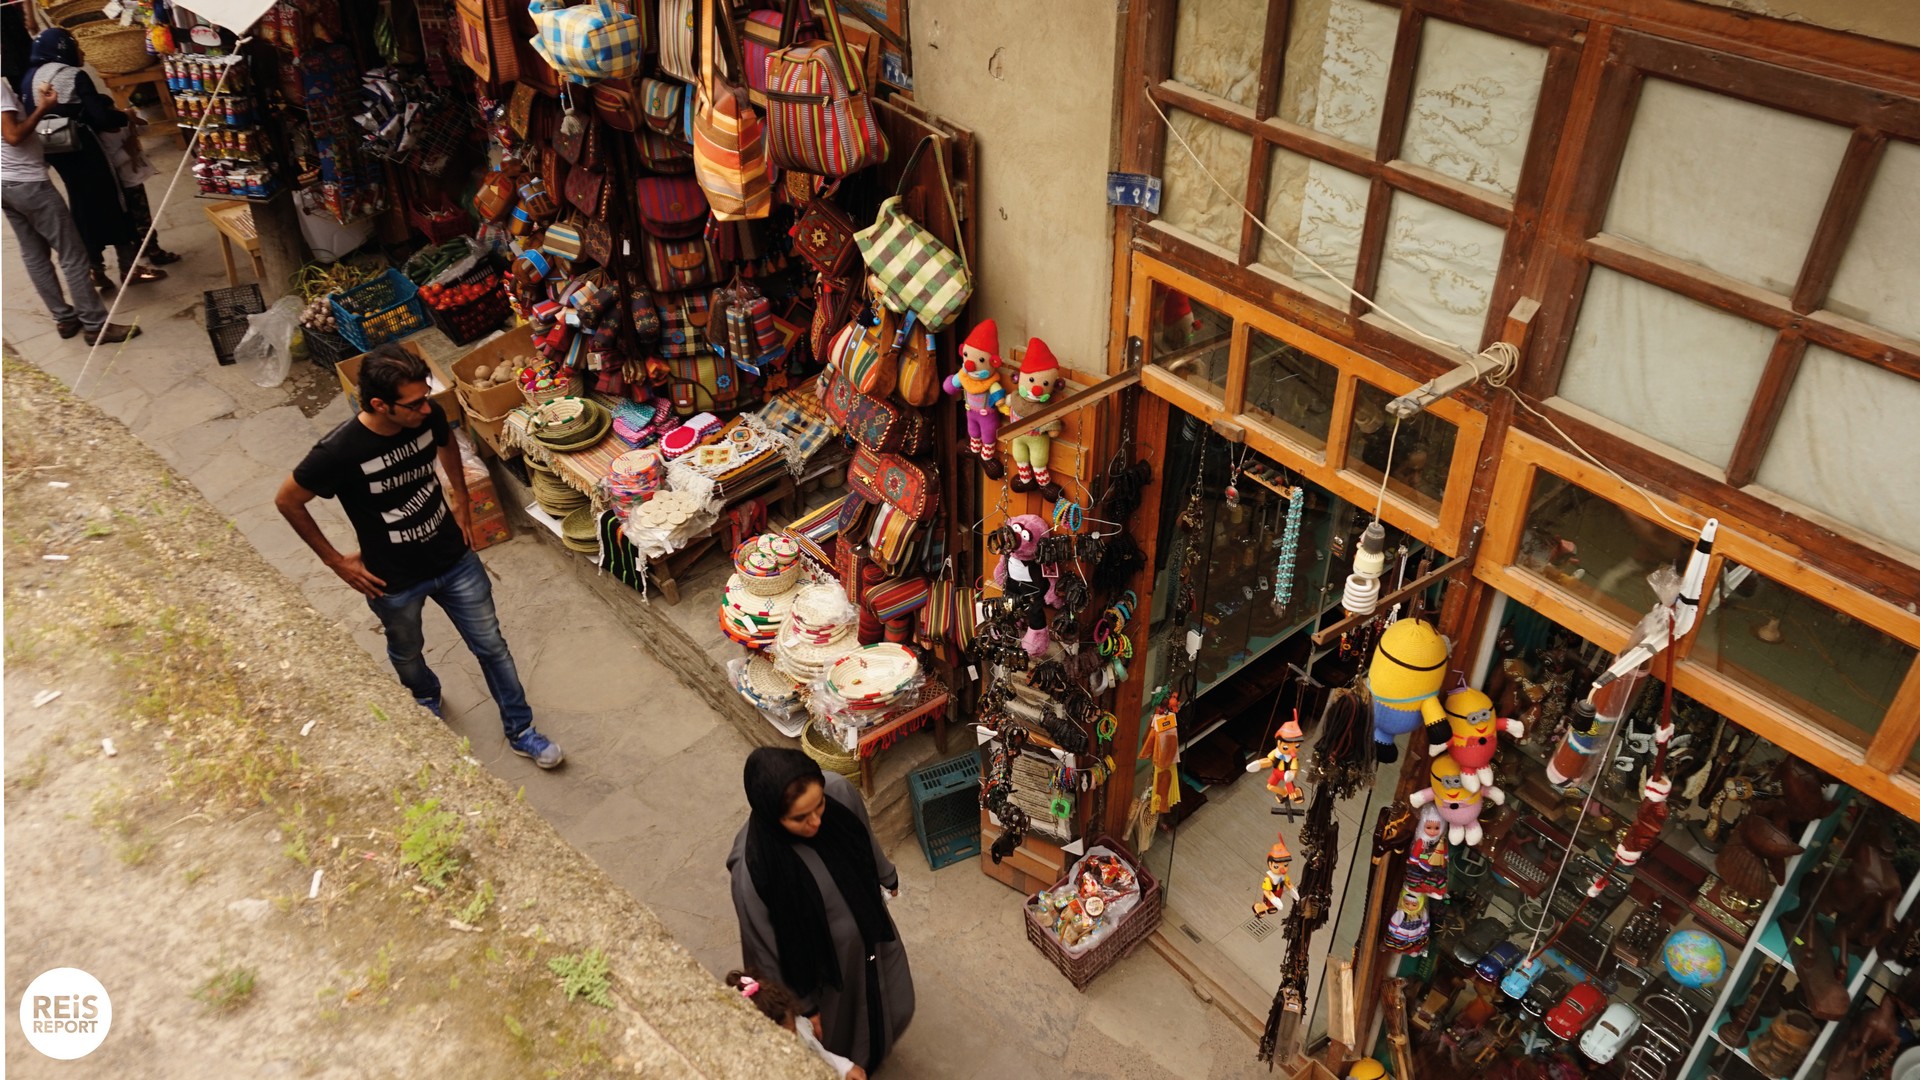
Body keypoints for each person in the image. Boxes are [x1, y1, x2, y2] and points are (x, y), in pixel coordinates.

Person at [274, 345, 563, 769]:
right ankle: (425, 696)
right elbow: (288, 501)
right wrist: (335, 561)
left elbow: (446, 440)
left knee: (492, 646)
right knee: (407, 652)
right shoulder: (339, 451)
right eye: (413, 403)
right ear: (379, 405)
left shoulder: (425, 417)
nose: (425, 409)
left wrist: (461, 498)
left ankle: (520, 730)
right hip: (392, 581)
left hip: (454, 560)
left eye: (425, 397)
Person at [728, 748, 912, 1073]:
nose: (816, 821)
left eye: (819, 806)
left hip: (871, 933)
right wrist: (798, 1006)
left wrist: (886, 873)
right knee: (839, 1035)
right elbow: (763, 950)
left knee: (892, 1002)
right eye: (800, 818)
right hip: (822, 974)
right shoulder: (754, 868)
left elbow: (864, 838)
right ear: (773, 814)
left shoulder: (837, 791)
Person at [20, 28, 164, 290]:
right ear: (63, 48)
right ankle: (129, 268)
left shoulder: (29, 77)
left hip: (54, 150)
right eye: (76, 45)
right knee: (116, 202)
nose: (81, 51)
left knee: (82, 206)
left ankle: (94, 269)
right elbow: (101, 118)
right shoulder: (75, 75)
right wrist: (124, 118)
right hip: (85, 147)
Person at [0, 70, 138, 344]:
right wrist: (43, 109)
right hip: (28, 182)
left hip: (6, 182)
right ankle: (95, 324)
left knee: (34, 254)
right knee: (72, 253)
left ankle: (64, 318)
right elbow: (13, 135)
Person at [725, 968, 868, 1080]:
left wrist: (844, 1068)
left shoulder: (799, 1027)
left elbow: (818, 1052)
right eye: (787, 1038)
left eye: (794, 1031)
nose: (794, 1039)